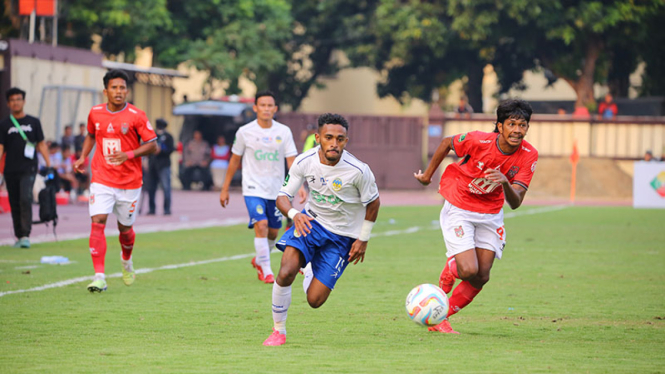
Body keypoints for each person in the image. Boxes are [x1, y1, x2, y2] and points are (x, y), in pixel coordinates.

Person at [414, 99, 539, 334]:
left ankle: (440, 317)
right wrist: (428, 175)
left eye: (522, 125)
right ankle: (451, 269)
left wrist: (504, 182)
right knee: (469, 270)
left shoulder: (529, 155)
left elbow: (516, 202)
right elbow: (446, 143)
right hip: (460, 205)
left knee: (482, 275)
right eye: (511, 124)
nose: (517, 130)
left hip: (490, 213)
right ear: (500, 126)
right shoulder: (479, 140)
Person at [262, 113, 381, 346]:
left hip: (342, 238)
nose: (334, 143)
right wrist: (295, 215)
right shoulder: (304, 161)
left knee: (315, 300)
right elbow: (283, 197)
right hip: (310, 223)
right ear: (318, 138)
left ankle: (309, 267)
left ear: (346, 141)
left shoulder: (359, 170)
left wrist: (363, 239)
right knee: (286, 271)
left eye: (340, 139)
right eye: (328, 137)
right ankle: (279, 331)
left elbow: (374, 203)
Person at [74, 69, 158, 293]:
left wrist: (128, 155)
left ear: (127, 91)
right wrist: (83, 156)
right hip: (102, 177)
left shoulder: (136, 116)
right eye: (114, 88)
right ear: (106, 91)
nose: (119, 92)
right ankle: (99, 276)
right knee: (98, 221)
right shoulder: (95, 113)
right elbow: (92, 134)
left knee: (125, 229)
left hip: (130, 182)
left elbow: (153, 145)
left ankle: (126, 260)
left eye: (122, 88)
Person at [219, 90, 303, 284]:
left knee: (274, 231)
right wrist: (224, 188)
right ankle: (266, 269)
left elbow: (292, 160)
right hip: (252, 188)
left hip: (276, 191)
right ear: (255, 108)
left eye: (269, 106)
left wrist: (299, 185)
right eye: (262, 105)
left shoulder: (283, 131)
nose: (266, 109)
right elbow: (234, 161)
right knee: (262, 225)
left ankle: (259, 260)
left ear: (275, 109)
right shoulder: (244, 132)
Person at [0, 87, 51, 248]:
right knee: (14, 202)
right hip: (10, 170)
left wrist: (50, 165)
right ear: (8, 103)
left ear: (24, 101)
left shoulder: (33, 122)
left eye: (19, 99)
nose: (16, 102)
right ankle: (19, 235)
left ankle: (26, 235)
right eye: (13, 100)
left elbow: (41, 144)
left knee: (25, 198)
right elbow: (1, 147)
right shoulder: (4, 124)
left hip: (29, 169)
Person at [146, 118, 174, 215]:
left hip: (164, 164)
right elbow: (145, 147)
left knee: (166, 187)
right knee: (151, 187)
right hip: (153, 164)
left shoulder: (168, 137)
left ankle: (167, 209)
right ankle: (152, 208)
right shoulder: (152, 135)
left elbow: (171, 149)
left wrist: (161, 150)